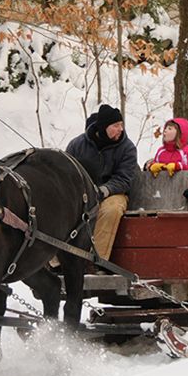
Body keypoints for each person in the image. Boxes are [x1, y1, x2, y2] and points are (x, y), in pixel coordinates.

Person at [66, 104, 137, 260]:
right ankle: (55, 260)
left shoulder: (127, 148)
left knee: (111, 209)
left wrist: (104, 190)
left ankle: (95, 259)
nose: (121, 129)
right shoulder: (77, 145)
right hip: (81, 192)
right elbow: (67, 172)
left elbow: (124, 179)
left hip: (113, 193)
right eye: (116, 125)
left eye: (121, 125)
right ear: (103, 127)